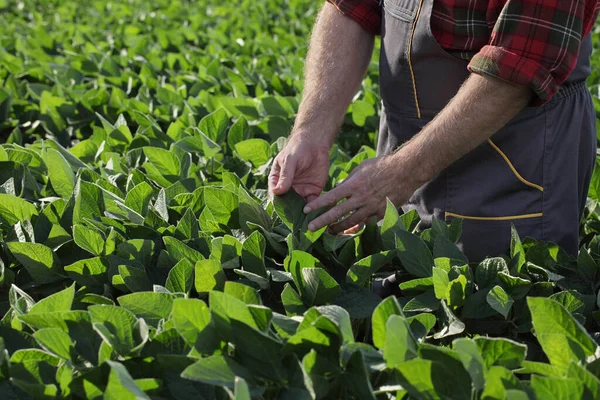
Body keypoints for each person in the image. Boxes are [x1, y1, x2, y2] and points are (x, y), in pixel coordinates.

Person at [268, 0, 600, 265]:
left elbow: (520, 66)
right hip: (398, 154)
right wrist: (310, 132)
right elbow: (350, 7)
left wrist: (399, 175)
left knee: (494, 308)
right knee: (401, 310)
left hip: (512, 163)